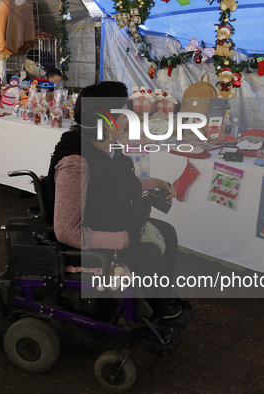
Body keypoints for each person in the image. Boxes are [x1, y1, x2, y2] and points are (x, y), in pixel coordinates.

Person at [48, 81, 183, 320]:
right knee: (149, 252)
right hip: (92, 243)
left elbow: (122, 182)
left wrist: (158, 183)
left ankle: (159, 297)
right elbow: (66, 232)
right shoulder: (76, 163)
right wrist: (122, 240)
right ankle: (153, 310)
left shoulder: (106, 148)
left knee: (169, 232)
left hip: (113, 224)